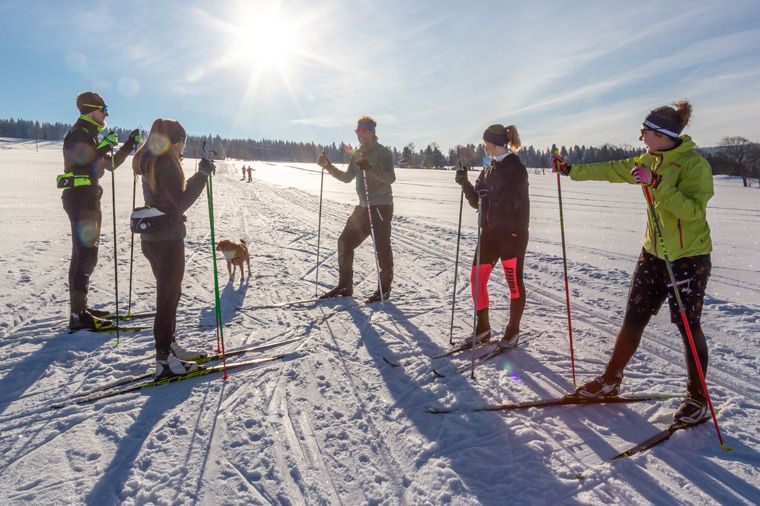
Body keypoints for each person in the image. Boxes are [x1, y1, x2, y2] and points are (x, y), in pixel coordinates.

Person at [553, 100, 714, 424]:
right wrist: (572, 170)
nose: (641, 136)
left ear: (663, 135)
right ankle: (610, 380)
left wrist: (657, 184)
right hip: (653, 253)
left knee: (687, 325)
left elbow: (693, 212)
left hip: (687, 258)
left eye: (645, 131)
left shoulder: (694, 167)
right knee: (634, 316)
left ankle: (698, 398)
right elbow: (612, 169)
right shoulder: (647, 159)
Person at [133, 118, 215, 378]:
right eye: (183, 143)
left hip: (156, 238)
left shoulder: (152, 158)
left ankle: (169, 347)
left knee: (170, 294)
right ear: (175, 141)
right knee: (167, 298)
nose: (183, 149)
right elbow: (179, 202)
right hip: (167, 240)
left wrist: (197, 176)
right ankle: (164, 360)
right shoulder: (165, 162)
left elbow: (170, 198)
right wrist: (201, 176)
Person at [61, 91, 141, 331]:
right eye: (104, 109)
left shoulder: (91, 135)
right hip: (80, 199)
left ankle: (80, 309)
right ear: (91, 109)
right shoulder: (78, 134)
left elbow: (111, 165)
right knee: (85, 254)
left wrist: (128, 144)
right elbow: (83, 162)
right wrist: (104, 145)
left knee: (84, 253)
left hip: (87, 199)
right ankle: (78, 315)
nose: (106, 114)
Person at [455, 124, 529, 349]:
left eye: (486, 142)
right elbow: (477, 201)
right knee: (477, 279)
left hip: (511, 235)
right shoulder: (489, 167)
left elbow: (515, 202)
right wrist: (464, 183)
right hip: (488, 234)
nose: (483, 146)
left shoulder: (516, 168)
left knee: (513, 283)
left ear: (495, 143)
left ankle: (512, 331)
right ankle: (483, 328)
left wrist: (492, 196)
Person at [316, 116, 396, 303]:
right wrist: (328, 166)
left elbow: (390, 178)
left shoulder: (382, 153)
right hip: (362, 207)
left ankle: (384, 290)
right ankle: (345, 285)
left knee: (382, 248)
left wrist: (370, 168)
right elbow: (346, 178)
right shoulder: (357, 153)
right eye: (356, 131)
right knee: (344, 242)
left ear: (370, 132)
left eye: (360, 131)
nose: (358, 134)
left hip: (381, 207)